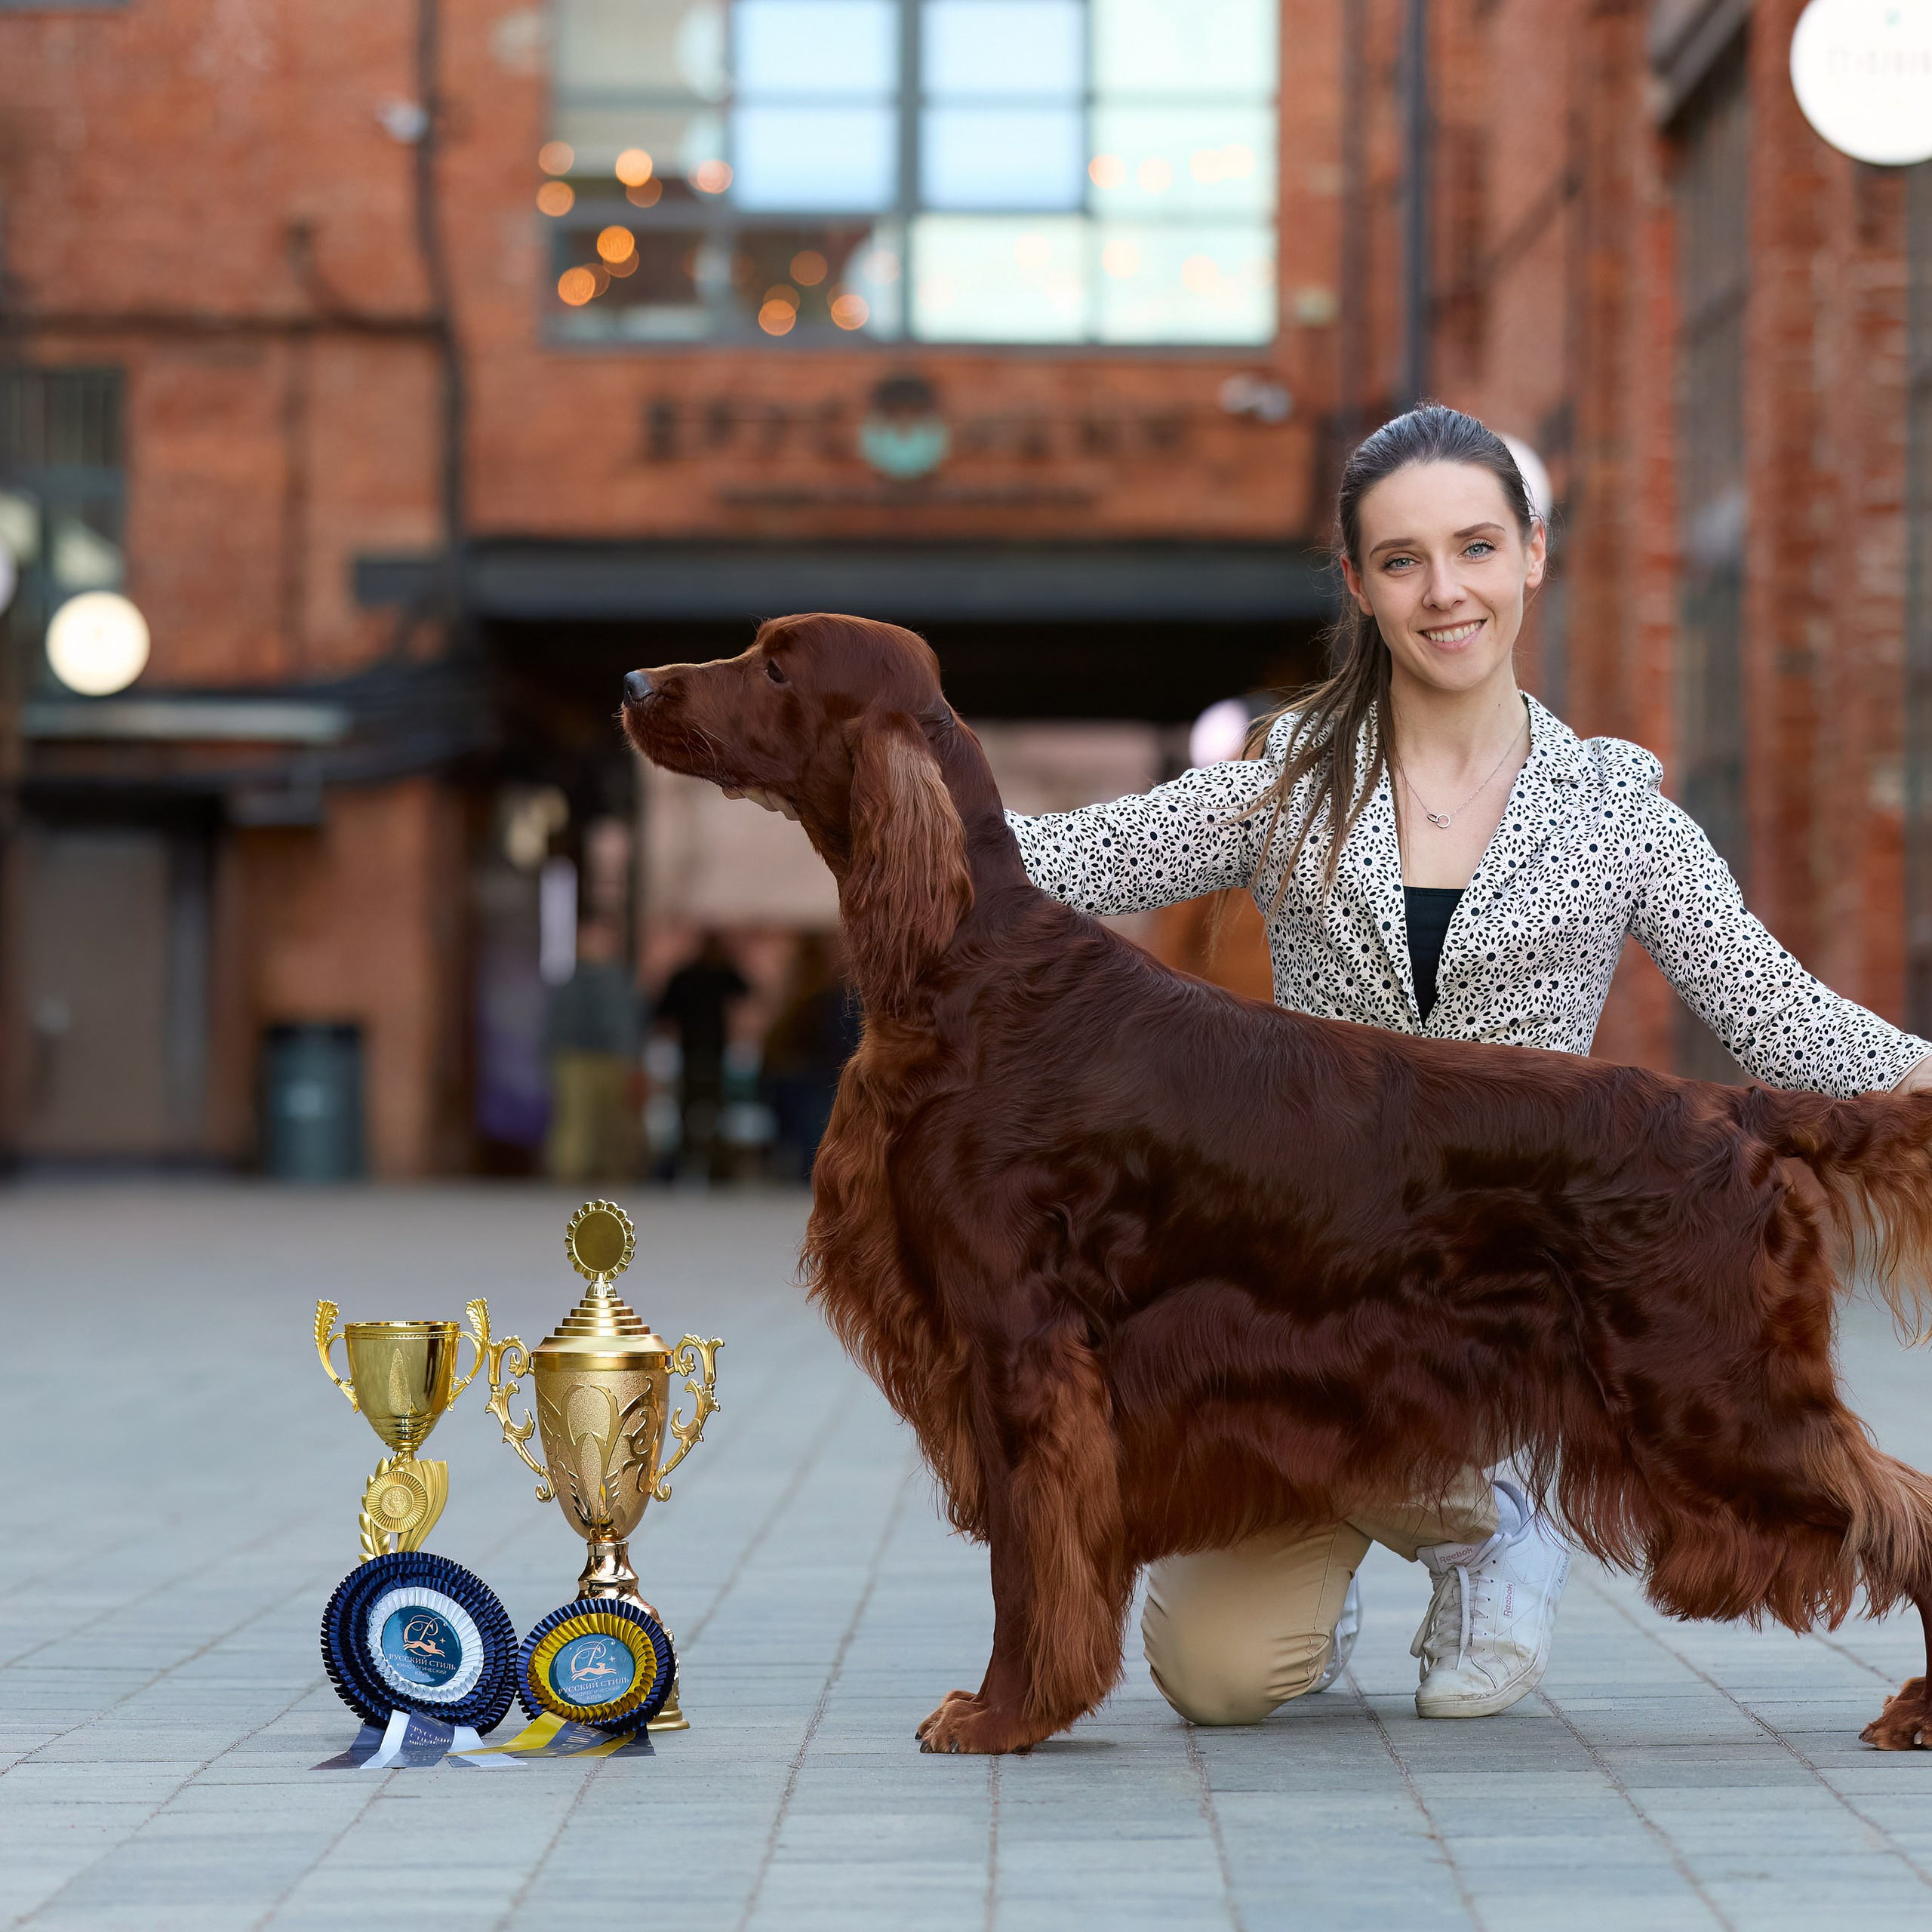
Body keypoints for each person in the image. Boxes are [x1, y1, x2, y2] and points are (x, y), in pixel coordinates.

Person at [1005, 402, 1932, 1727]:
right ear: (1359, 583)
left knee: (1727, 1445)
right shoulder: (1286, 785)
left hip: (1530, 1281)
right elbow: (1050, 862)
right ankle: (1421, 1521)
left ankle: (1501, 1521)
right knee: (1215, 1676)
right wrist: (874, 775)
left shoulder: (1615, 809)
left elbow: (1780, 1017)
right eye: (1404, 560)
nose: (1446, 592)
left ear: (1532, 555)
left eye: (1477, 548)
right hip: (1323, 1292)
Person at [542, 919, 641, 1183]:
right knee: (576, 1118)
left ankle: (612, 1173)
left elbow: (629, 1021)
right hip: (574, 1057)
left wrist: (631, 1056)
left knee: (612, 1119)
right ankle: (571, 1172)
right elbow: (555, 1021)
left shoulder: (619, 981)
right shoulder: (569, 981)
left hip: (612, 1058)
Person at [652, 930, 750, 1184]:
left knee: (691, 1107)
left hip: (694, 1049)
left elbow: (662, 1011)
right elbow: (747, 990)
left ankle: (690, 1159)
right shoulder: (719, 974)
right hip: (710, 1049)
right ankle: (714, 1163)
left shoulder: (686, 976)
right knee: (713, 1106)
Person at [761, 932, 860, 1182]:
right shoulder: (820, 999)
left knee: (816, 1135)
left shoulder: (824, 999)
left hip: (819, 1076)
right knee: (816, 1134)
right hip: (816, 1077)